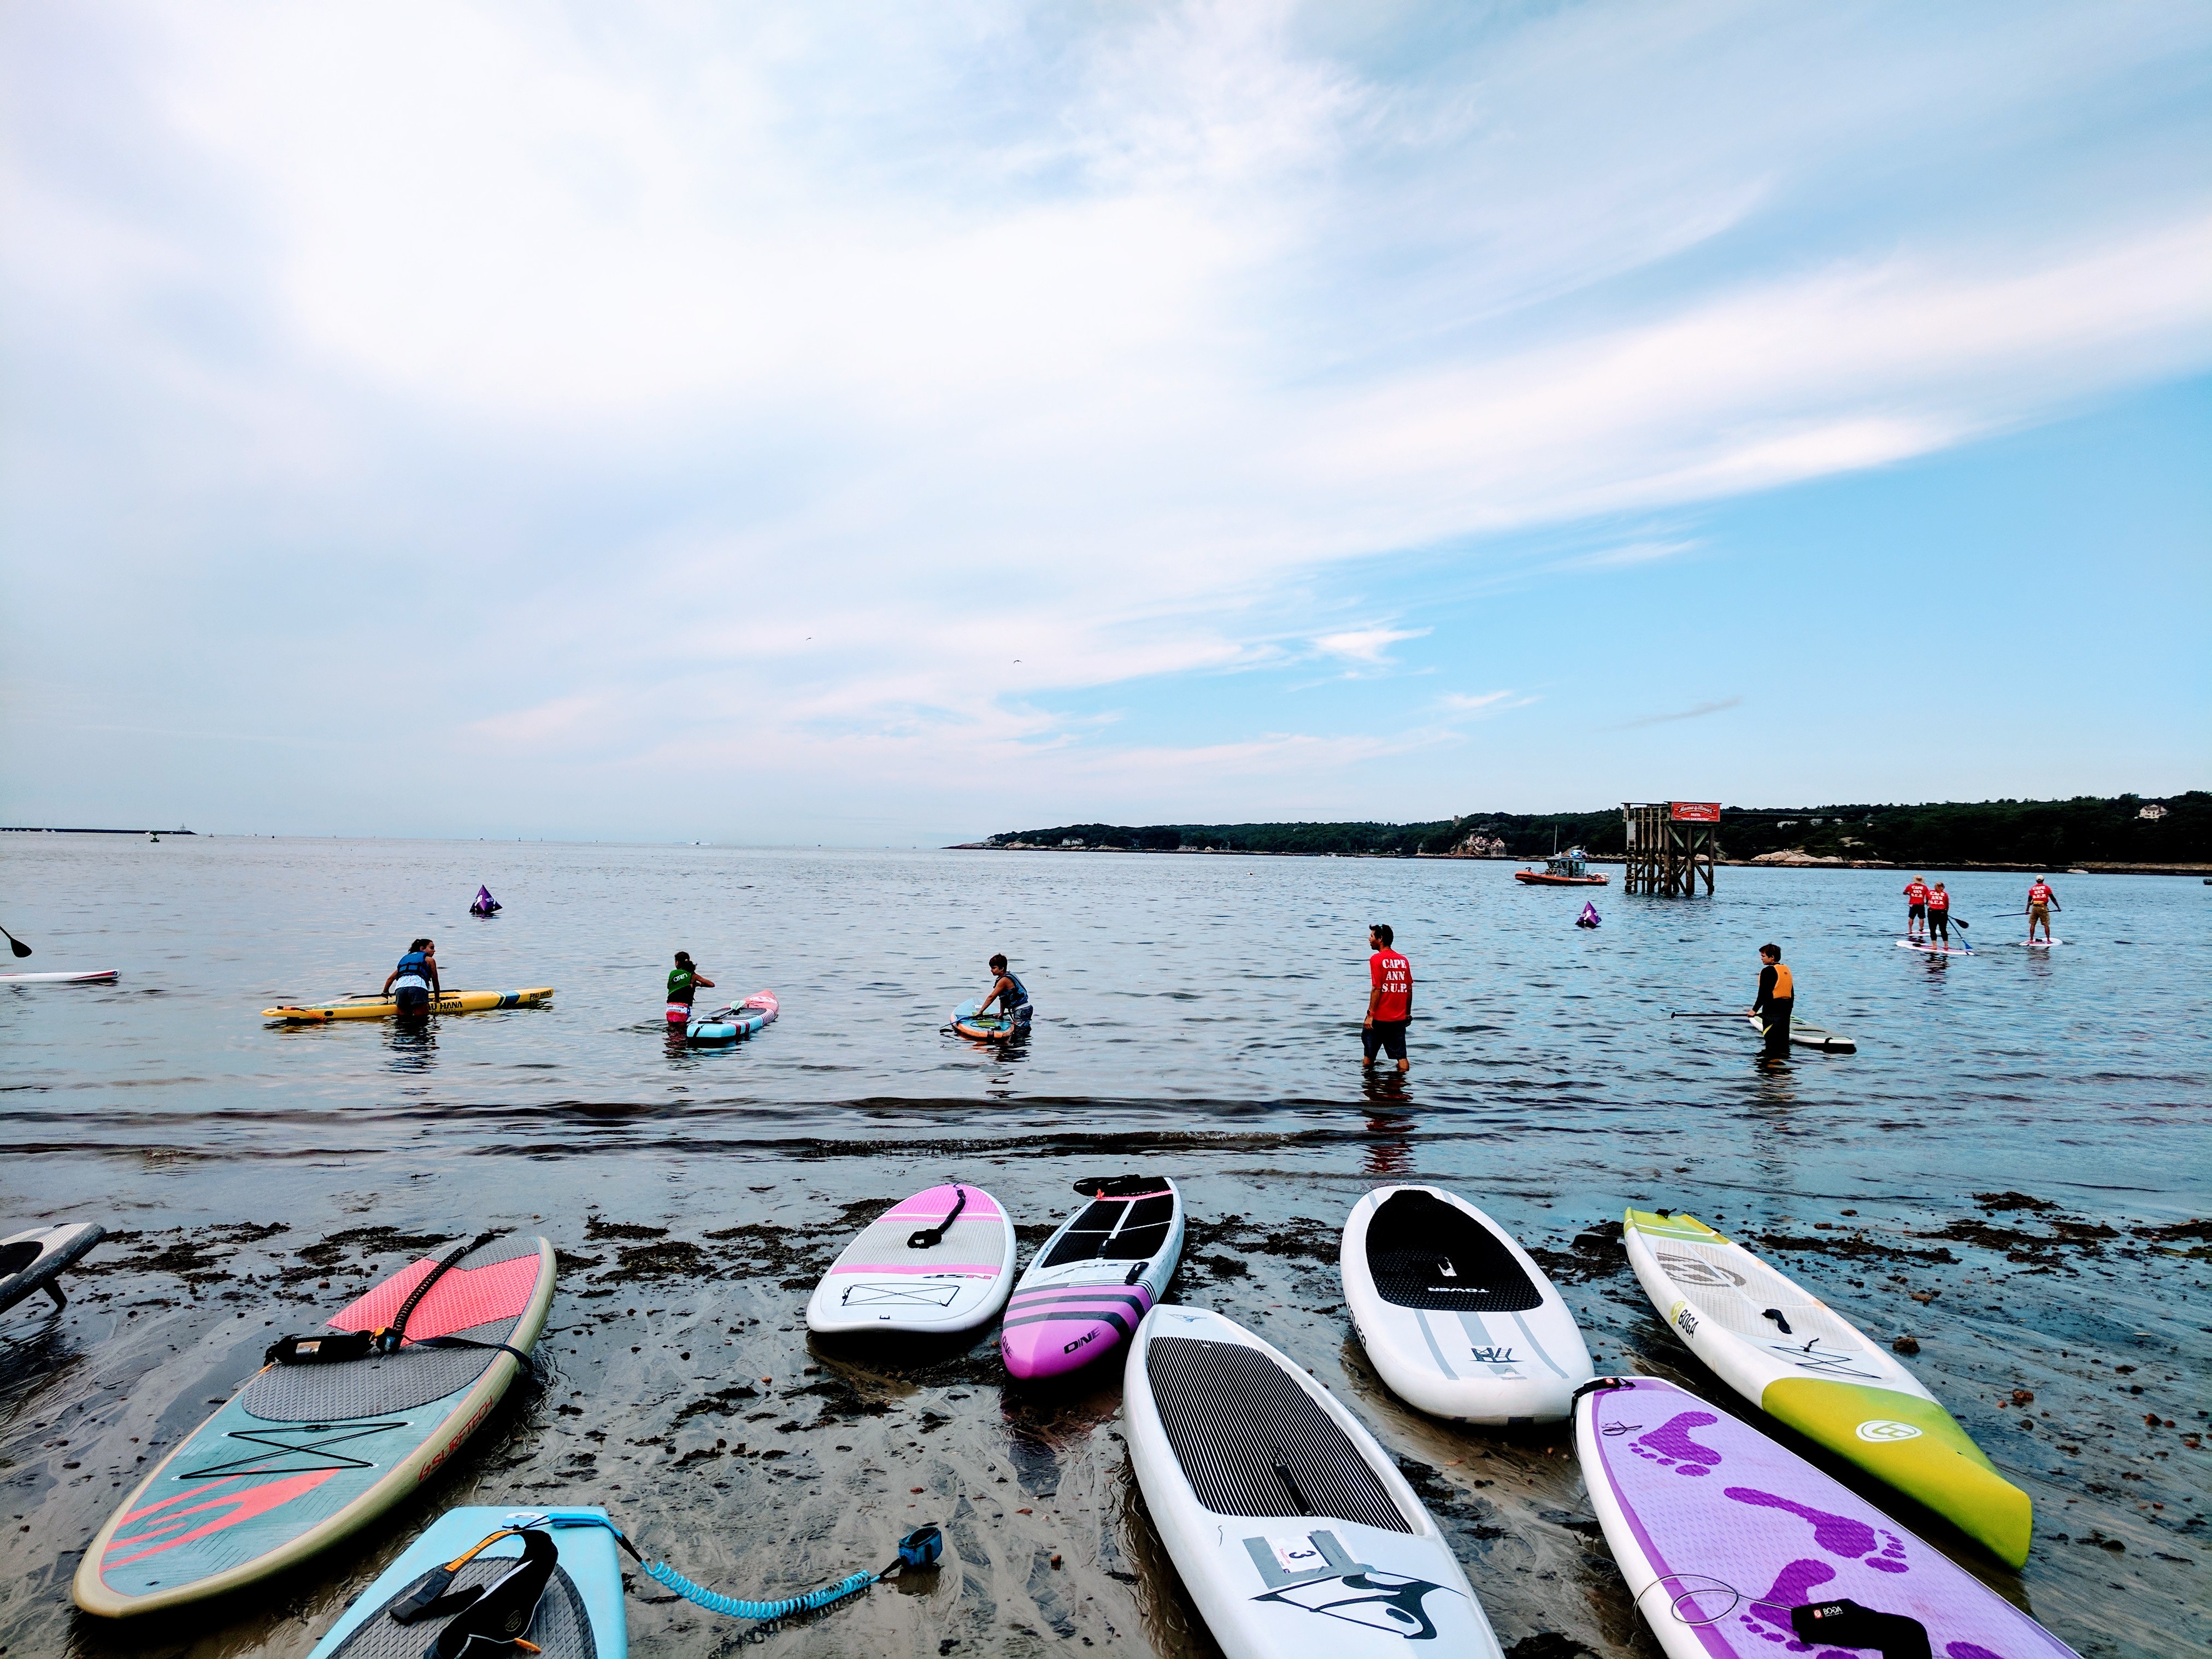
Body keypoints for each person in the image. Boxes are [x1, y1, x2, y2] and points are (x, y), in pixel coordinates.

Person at [1363, 923, 1413, 1075]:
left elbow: (1377, 988)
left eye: (1372, 936)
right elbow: (1409, 989)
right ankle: (1403, 1084)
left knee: (1369, 1056)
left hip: (1379, 1018)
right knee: (1402, 1058)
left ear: (1380, 939)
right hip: (1398, 1018)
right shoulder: (1403, 961)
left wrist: (1370, 1015)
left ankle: (1369, 1086)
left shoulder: (1376, 959)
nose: (1369, 939)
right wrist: (1407, 1014)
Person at [1750, 943, 1793, 1058]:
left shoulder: (1768, 971)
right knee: (1783, 1043)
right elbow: (1791, 994)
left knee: (1771, 1044)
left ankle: (1770, 1070)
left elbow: (1763, 994)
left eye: (1763, 956)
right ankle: (1782, 1069)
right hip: (1785, 1013)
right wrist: (1788, 1012)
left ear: (1772, 957)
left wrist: (1754, 1011)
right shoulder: (1785, 970)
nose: (1761, 959)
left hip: (1771, 1012)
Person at [384, 938, 441, 1016]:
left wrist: (385, 992)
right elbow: (435, 981)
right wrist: (437, 999)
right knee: (421, 1021)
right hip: (418, 988)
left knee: (402, 1022)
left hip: (400, 989)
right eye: (432, 948)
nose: (434, 951)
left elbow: (390, 978)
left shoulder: (407, 960)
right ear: (422, 949)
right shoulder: (430, 960)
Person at [980, 953, 1031, 1030]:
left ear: (1002, 968)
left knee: (1020, 1034)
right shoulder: (1006, 976)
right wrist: (1002, 1013)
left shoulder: (1004, 980)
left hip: (1021, 1010)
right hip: (1024, 1009)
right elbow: (1003, 997)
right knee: (1022, 1031)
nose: (991, 970)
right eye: (991, 968)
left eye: (994, 968)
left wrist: (980, 1012)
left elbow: (991, 997)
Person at [667, 951, 715, 1028]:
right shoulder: (692, 975)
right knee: (683, 1033)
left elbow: (669, 987)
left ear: (677, 963)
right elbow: (711, 984)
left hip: (670, 1008)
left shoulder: (672, 973)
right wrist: (699, 985)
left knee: (672, 1033)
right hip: (682, 1009)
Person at [2025, 876, 2059, 943]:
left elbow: (2029, 901)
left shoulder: (2032, 889)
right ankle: (2048, 940)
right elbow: (2053, 899)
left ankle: (2031, 939)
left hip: (2034, 907)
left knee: (2033, 924)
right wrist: (2058, 907)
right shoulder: (2047, 888)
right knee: (2046, 924)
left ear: (2037, 881)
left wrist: (2027, 910)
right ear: (2043, 880)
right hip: (2043, 907)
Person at [1902, 876, 1930, 942]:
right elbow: (1928, 896)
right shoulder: (1925, 887)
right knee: (1921, 918)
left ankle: (1910, 930)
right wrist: (1927, 902)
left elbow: (1904, 892)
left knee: (1911, 917)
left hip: (1912, 904)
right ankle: (1921, 930)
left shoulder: (1910, 886)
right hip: (1921, 904)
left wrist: (1910, 894)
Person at [1927, 881, 1952, 946]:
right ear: (1943, 888)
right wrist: (1946, 912)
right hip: (1942, 912)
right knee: (1943, 930)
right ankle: (1946, 946)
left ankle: (1934, 946)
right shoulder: (1945, 894)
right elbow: (1947, 905)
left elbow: (1927, 902)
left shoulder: (1930, 892)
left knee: (1933, 930)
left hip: (1932, 912)